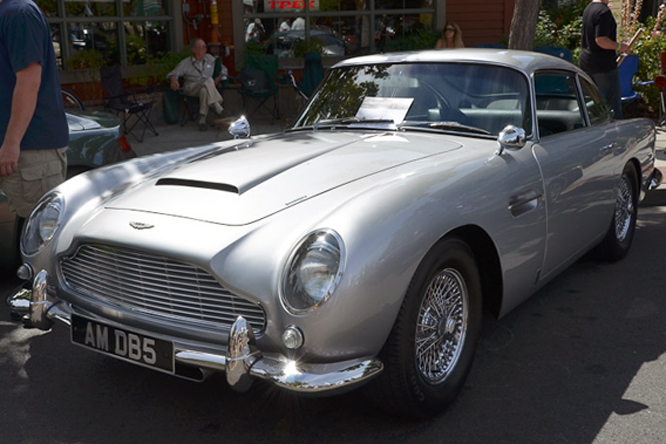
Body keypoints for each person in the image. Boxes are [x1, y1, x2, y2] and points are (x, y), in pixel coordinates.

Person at [0, 0, 69, 221]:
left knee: (39, 239)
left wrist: (11, 144)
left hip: (30, 151)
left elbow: (29, 82)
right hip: (19, 150)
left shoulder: (19, 13)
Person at [579, 0, 629, 119]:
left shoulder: (589, 9)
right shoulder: (603, 12)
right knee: (612, 104)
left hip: (586, 62)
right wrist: (620, 47)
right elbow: (601, 40)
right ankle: (615, 135)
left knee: (592, 105)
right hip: (602, 65)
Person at [167, 38, 225, 131]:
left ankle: (202, 121)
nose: (204, 50)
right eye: (201, 47)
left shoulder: (209, 59)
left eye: (205, 47)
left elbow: (223, 69)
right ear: (194, 50)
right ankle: (216, 104)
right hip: (191, 88)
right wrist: (174, 80)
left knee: (204, 90)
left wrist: (219, 78)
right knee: (208, 80)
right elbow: (172, 73)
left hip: (206, 88)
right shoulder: (186, 63)